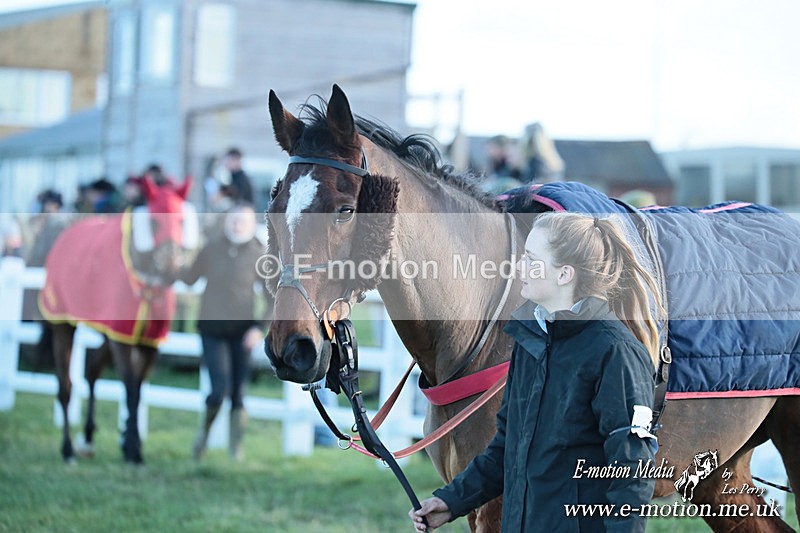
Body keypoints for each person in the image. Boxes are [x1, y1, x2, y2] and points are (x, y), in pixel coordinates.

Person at [411, 212, 664, 532]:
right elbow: (506, 447)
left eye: (532, 259)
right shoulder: (531, 341)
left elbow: (631, 469)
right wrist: (451, 502)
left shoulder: (615, 352)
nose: (520, 268)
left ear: (564, 275)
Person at [179, 204, 270, 461]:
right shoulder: (211, 247)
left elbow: (271, 297)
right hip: (211, 329)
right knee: (219, 389)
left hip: (243, 334)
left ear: (252, 225)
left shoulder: (259, 253)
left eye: (243, 221)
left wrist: (258, 328)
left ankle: (235, 450)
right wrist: (175, 262)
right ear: (226, 221)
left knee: (239, 394)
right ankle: (203, 439)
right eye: (234, 220)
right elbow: (188, 278)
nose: (237, 224)